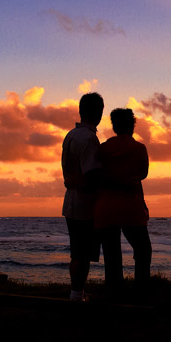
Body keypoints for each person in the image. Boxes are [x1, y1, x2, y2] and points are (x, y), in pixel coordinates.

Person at [95, 108, 152, 286]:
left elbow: (97, 174)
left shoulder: (103, 149)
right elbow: (142, 174)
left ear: (114, 126)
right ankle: (141, 291)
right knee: (143, 250)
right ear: (132, 126)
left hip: (106, 207)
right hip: (131, 206)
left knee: (112, 255)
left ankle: (114, 295)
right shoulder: (139, 148)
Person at [61, 92, 104, 301]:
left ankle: (76, 292)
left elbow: (70, 173)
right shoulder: (89, 139)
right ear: (99, 113)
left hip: (71, 202)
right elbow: (91, 177)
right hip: (84, 205)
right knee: (82, 255)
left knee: (77, 252)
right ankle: (77, 295)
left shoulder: (70, 135)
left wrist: (72, 180)